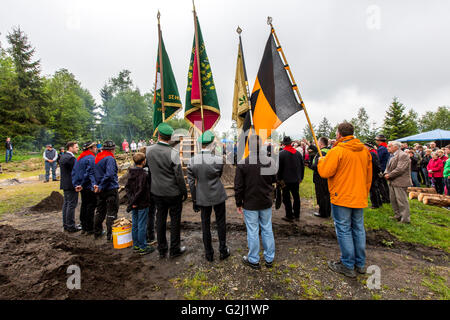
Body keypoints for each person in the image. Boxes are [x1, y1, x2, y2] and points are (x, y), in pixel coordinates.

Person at [318, 122, 372, 278]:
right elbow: (369, 176)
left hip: (341, 196)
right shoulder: (364, 151)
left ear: (339, 134)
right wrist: (364, 192)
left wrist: (322, 161)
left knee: (343, 229)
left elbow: (325, 172)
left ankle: (347, 264)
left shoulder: (338, 151)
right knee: (358, 228)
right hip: (359, 195)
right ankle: (360, 263)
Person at [235, 134, 277, 269]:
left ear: (249, 147)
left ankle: (254, 259)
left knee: (253, 230)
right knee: (266, 228)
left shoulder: (243, 164)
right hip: (264, 200)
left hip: (251, 202)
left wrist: (238, 203)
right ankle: (268, 258)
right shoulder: (269, 161)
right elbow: (274, 179)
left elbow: (238, 187)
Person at [187, 130, 230, 262]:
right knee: (221, 223)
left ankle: (209, 253)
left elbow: (191, 182)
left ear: (201, 145)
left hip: (202, 196)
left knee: (205, 225)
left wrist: (194, 199)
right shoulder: (218, 159)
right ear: (212, 144)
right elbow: (219, 175)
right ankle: (223, 250)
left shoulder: (192, 161)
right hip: (217, 193)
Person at [146, 123, 188, 259]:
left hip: (157, 191)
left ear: (158, 135)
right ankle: (174, 249)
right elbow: (179, 176)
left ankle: (162, 248)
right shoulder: (173, 153)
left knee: (160, 219)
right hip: (173, 193)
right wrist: (184, 192)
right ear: (170, 138)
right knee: (175, 221)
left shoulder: (148, 150)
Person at [126, 152, 155, 255]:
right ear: (144, 161)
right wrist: (134, 202)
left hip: (133, 202)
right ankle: (143, 246)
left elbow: (128, 188)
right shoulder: (143, 174)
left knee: (135, 224)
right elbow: (141, 190)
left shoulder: (131, 172)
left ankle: (136, 245)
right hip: (142, 203)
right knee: (142, 224)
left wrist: (131, 201)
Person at [93, 140, 119, 241]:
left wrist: (97, 185)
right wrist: (101, 185)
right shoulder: (110, 158)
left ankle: (97, 232)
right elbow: (109, 174)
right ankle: (111, 236)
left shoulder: (98, 157)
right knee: (111, 212)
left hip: (100, 189)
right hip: (110, 188)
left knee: (100, 211)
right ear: (112, 149)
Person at [72, 141, 97, 235]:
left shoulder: (79, 158)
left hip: (81, 186)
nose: (96, 148)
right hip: (88, 185)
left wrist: (77, 184)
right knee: (91, 206)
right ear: (90, 149)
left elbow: (74, 172)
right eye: (94, 147)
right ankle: (90, 228)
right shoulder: (90, 158)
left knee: (84, 205)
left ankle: (84, 226)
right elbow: (89, 172)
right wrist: (82, 184)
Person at [277, 136, 304, 222]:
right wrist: (301, 178)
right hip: (296, 180)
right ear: (291, 143)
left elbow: (278, 168)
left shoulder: (281, 154)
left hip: (285, 181)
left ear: (283, 144)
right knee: (296, 197)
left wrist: (278, 179)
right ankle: (297, 215)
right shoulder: (298, 153)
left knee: (286, 198)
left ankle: (289, 215)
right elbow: (302, 167)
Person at [384, 141, 412, 223]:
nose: (387, 148)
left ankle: (405, 219)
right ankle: (397, 215)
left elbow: (400, 169)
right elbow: (388, 167)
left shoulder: (403, 155)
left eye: (389, 146)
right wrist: (386, 173)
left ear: (396, 147)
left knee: (402, 201)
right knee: (393, 200)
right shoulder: (392, 155)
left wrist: (389, 175)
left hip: (400, 181)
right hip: (392, 181)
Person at [60, 141, 81, 233]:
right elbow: (76, 172)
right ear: (70, 148)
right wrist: (78, 184)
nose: (78, 149)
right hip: (71, 184)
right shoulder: (71, 158)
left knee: (66, 204)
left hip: (65, 183)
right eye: (76, 147)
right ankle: (71, 226)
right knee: (71, 205)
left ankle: (66, 224)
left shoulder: (63, 156)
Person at [309, 137, 331, 217]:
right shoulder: (329, 150)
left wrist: (310, 165)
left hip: (320, 177)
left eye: (318, 142)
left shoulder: (321, 153)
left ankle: (323, 212)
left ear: (321, 144)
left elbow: (316, 165)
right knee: (327, 195)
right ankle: (328, 211)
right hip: (327, 176)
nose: (317, 144)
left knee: (321, 195)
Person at [364, 143, 383, 209]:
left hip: (373, 173)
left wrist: (378, 172)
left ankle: (375, 204)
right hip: (373, 173)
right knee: (375, 188)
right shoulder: (372, 153)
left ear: (368, 147)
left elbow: (376, 164)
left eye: (365, 147)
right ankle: (379, 202)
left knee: (373, 189)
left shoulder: (371, 154)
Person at [375, 134, 390, 203]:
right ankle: (387, 197)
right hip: (385, 168)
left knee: (381, 184)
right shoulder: (385, 147)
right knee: (384, 184)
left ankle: (385, 198)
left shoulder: (381, 148)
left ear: (379, 141)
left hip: (382, 168)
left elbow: (378, 158)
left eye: (376, 140)